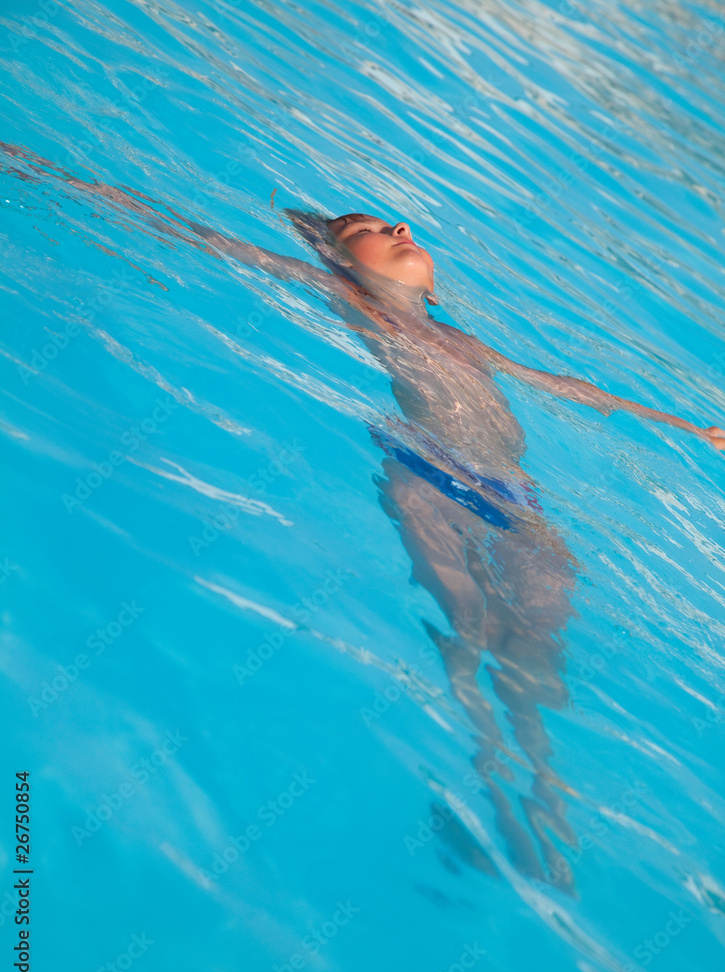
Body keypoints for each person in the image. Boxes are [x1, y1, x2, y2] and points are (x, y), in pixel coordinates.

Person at [5, 143, 722, 887]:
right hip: (428, 475)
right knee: (471, 628)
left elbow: (570, 387)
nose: (400, 225)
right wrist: (56, 175)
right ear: (341, 261)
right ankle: (489, 774)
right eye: (367, 227)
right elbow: (200, 236)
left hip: (518, 499)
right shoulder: (349, 298)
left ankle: (547, 798)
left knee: (535, 648)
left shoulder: (465, 340)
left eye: (395, 222)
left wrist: (684, 426)